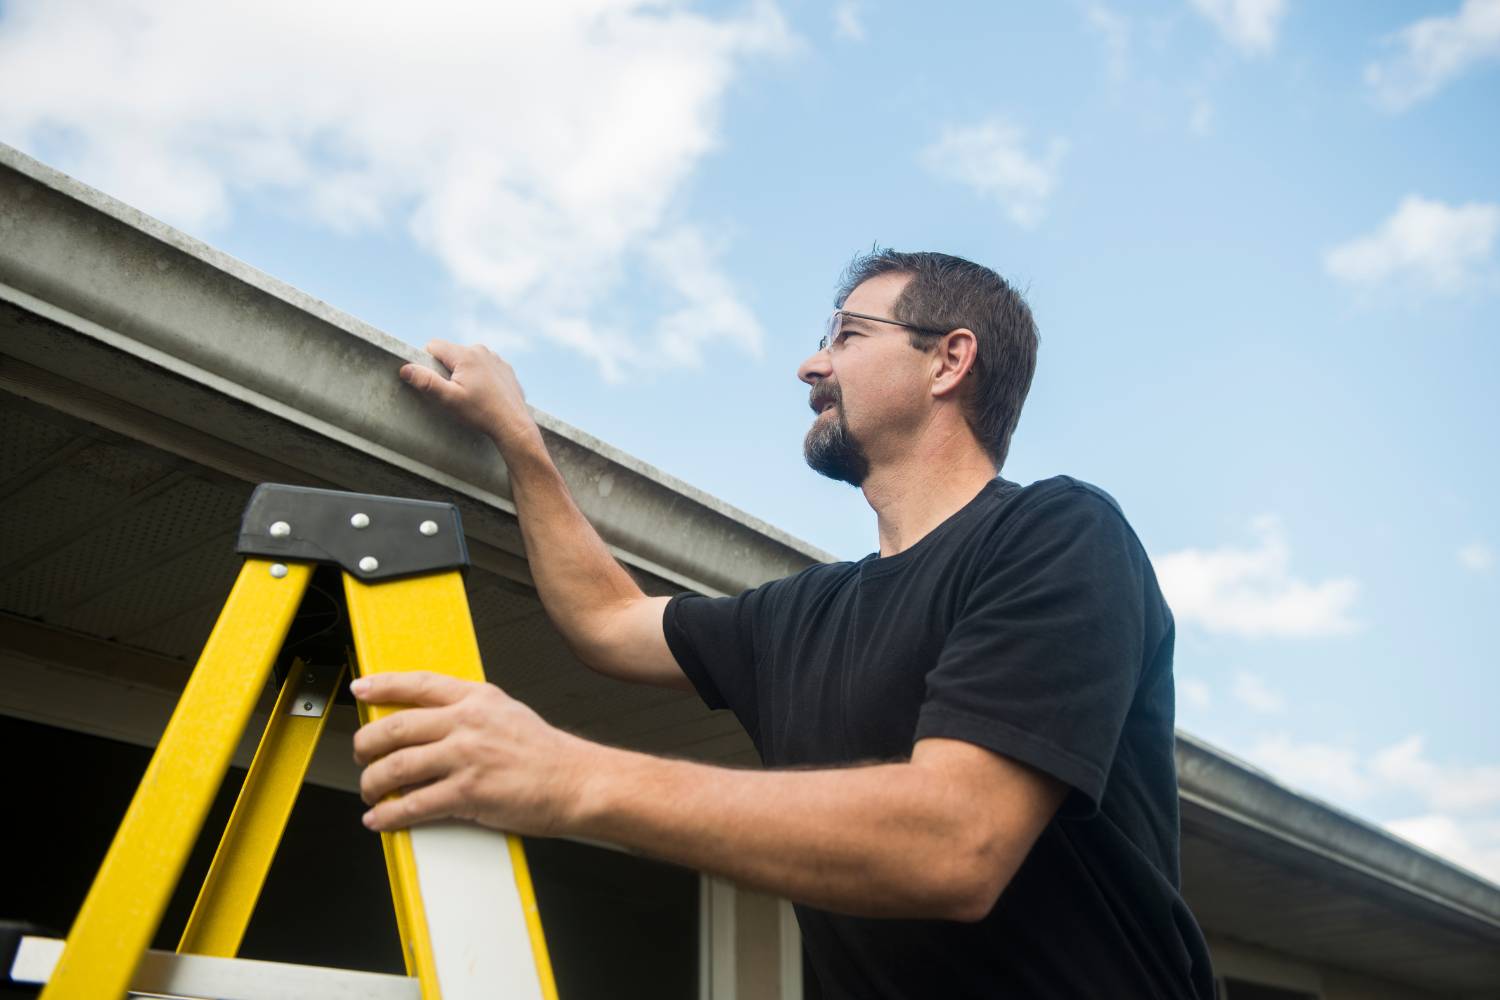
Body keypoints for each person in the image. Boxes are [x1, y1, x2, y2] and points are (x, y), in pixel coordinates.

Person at [351, 250, 1215, 999]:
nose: (811, 364)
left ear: (949, 360)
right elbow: (608, 620)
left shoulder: (1059, 534)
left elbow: (959, 840)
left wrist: (568, 777)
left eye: (847, 334)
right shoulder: (802, 614)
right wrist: (518, 440)